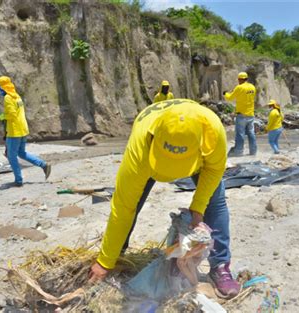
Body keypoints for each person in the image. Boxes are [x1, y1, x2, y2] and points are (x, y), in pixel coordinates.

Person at [88, 99, 241, 299]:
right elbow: (122, 207)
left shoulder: (213, 133)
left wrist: (197, 211)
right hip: (148, 160)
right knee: (132, 204)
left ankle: (220, 265)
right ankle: (117, 258)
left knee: (216, 202)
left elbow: (213, 171)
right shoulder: (139, 149)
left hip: (201, 160)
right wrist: (104, 261)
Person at [0, 76, 51, 187]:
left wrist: (2, 116)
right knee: (21, 153)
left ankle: (18, 180)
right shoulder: (17, 96)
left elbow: (11, 115)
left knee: (11, 156)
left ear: (3, 87)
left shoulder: (8, 98)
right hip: (23, 129)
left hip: (14, 131)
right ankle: (43, 165)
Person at [224, 72, 257, 156]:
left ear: (240, 79)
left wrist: (225, 94)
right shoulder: (252, 87)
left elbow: (230, 98)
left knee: (240, 134)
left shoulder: (239, 87)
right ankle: (253, 151)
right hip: (251, 114)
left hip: (241, 115)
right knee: (251, 133)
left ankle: (239, 152)